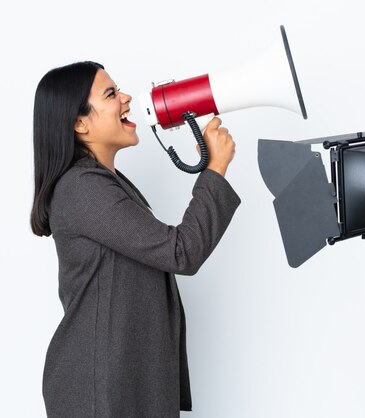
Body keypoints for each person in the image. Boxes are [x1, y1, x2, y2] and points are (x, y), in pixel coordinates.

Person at [31, 61, 240, 417]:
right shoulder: (83, 189)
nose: (126, 97)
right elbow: (181, 252)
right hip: (100, 391)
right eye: (111, 94)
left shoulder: (105, 183)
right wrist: (214, 170)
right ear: (80, 123)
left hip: (121, 382)